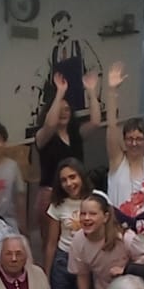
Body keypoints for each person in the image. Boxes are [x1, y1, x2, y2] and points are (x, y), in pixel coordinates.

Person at [102, 65, 144, 249]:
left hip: (142, 226)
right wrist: (112, 92)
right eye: (129, 139)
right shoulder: (117, 160)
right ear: (124, 140)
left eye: (139, 139)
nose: (134, 143)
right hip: (116, 224)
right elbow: (111, 127)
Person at [71, 193, 144, 289]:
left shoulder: (125, 238)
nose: (86, 218)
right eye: (83, 214)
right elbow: (82, 274)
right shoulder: (78, 240)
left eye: (92, 214)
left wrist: (126, 270)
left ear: (105, 217)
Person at [43, 157, 91, 289]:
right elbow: (51, 243)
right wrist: (46, 274)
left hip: (88, 262)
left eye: (73, 177)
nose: (69, 183)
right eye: (64, 180)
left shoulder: (95, 199)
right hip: (63, 260)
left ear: (81, 176)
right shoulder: (58, 205)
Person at [33, 75, 83, 254]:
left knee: (75, 239)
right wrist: (60, 92)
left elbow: (94, 122)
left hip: (74, 192)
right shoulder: (43, 136)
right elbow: (51, 124)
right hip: (50, 194)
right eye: (59, 109)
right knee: (51, 242)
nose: (63, 113)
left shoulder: (75, 135)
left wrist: (92, 92)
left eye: (67, 109)